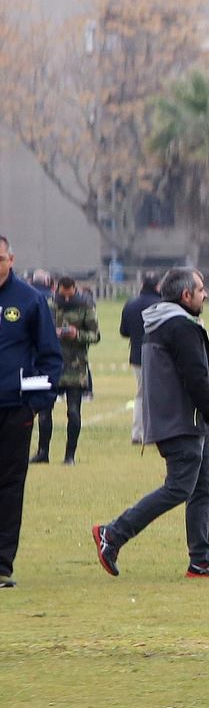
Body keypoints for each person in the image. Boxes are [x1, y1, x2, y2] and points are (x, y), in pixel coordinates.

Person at [91, 267, 209, 579]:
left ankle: (201, 559)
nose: (205, 294)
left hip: (188, 421)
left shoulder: (165, 322)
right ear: (186, 295)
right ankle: (113, 534)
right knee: (179, 488)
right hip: (181, 421)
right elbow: (197, 379)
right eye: (200, 289)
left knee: (202, 488)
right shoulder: (179, 326)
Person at [0, 234, 63, 589]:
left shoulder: (30, 300)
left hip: (15, 409)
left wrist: (37, 402)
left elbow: (51, 357)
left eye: (0, 258)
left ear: (11, 259)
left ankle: (2, 564)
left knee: (9, 487)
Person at [32, 276, 98, 465]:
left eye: (70, 296)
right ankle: (42, 452)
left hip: (75, 367)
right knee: (44, 412)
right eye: (63, 296)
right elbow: (36, 331)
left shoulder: (86, 306)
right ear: (57, 289)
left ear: (75, 290)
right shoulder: (48, 305)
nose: (67, 299)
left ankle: (70, 456)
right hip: (50, 364)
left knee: (74, 412)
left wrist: (77, 334)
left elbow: (95, 335)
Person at [121, 270, 162, 444]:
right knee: (154, 395)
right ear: (158, 286)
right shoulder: (161, 305)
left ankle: (138, 432)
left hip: (137, 354)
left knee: (141, 393)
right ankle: (150, 432)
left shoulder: (130, 304)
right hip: (158, 354)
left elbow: (123, 332)